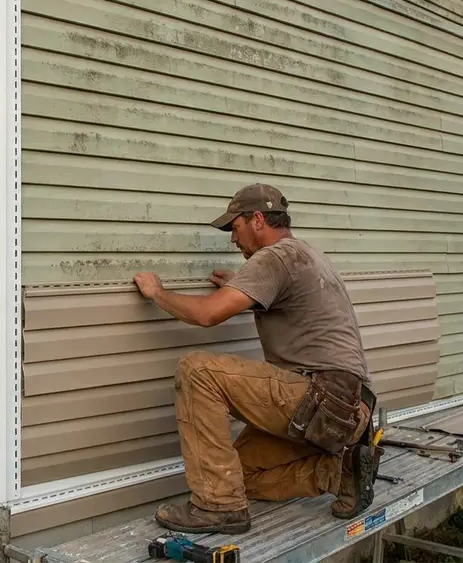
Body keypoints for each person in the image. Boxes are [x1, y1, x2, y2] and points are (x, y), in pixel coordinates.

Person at [132, 183, 378, 535]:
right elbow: (290, 301)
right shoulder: (306, 255)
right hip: (349, 410)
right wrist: (241, 285)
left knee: (198, 371)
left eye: (235, 227)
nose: (233, 240)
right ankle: (340, 473)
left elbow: (207, 315)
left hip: (321, 398)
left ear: (258, 219)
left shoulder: (273, 258)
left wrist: (158, 293)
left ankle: (217, 507)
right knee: (241, 476)